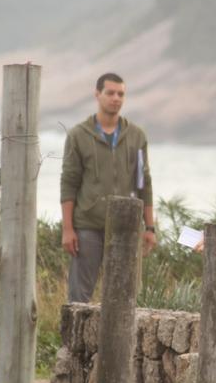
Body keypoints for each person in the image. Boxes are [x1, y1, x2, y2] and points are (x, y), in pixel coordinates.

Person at [60, 73, 156, 303]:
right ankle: (74, 341)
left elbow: (144, 182)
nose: (116, 98)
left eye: (121, 94)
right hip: (88, 226)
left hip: (125, 227)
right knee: (79, 297)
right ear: (98, 95)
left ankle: (115, 341)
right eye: (110, 93)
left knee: (123, 297)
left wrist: (150, 226)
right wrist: (68, 228)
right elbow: (69, 182)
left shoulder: (136, 136)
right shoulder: (78, 135)